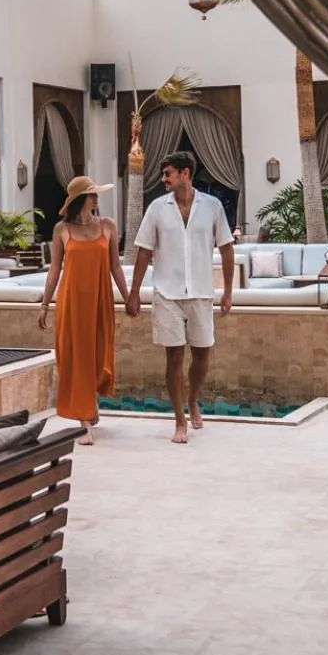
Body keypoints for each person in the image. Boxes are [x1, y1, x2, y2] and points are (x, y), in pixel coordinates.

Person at [125, 150, 235, 443]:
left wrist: (228, 291)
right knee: (173, 355)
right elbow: (144, 251)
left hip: (200, 292)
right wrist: (134, 292)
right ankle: (179, 420)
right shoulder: (156, 209)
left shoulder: (212, 207)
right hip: (166, 293)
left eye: (168, 174)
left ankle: (193, 399)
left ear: (184, 174)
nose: (163, 179)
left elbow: (226, 248)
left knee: (202, 354)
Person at [38, 176, 130, 445]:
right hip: (72, 301)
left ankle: (90, 401)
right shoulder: (61, 230)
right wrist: (45, 305)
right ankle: (84, 420)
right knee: (78, 357)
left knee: (99, 354)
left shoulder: (108, 226)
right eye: (91, 194)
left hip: (100, 300)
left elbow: (116, 267)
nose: (96, 198)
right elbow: (55, 269)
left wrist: (128, 298)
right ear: (80, 199)